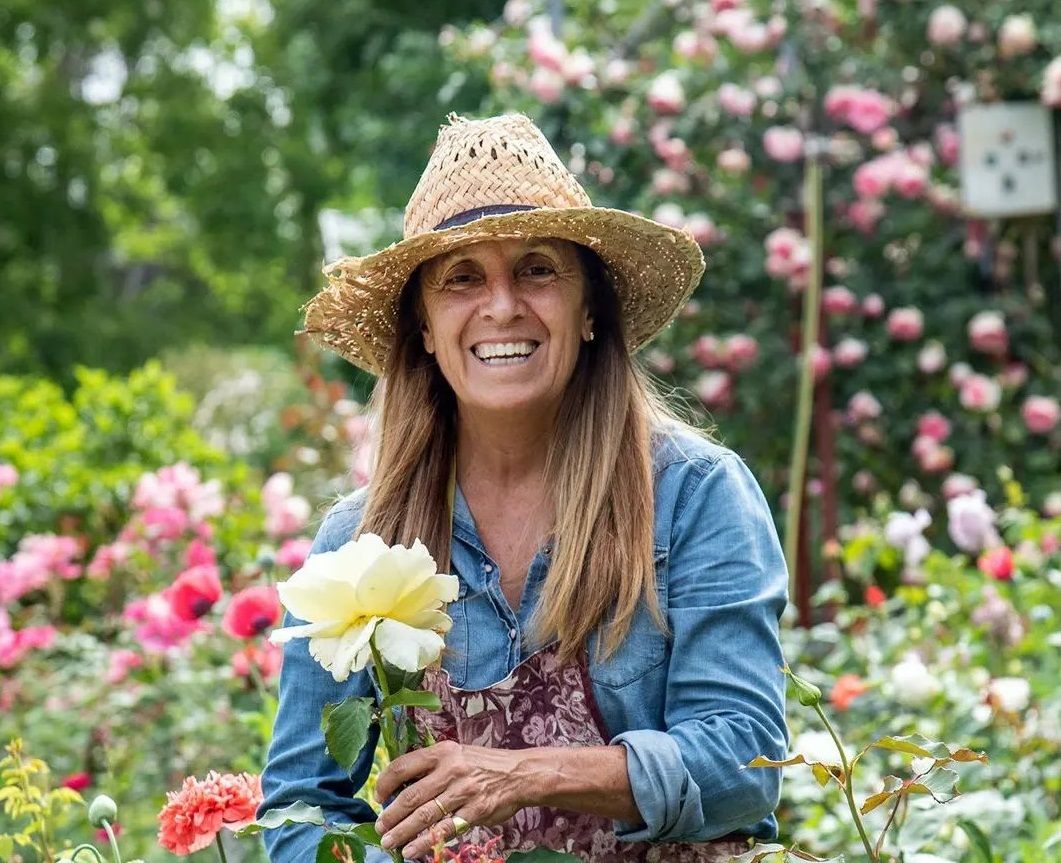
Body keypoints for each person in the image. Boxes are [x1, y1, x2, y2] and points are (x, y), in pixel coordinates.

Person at [260, 112, 789, 863]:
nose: (502, 305)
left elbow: (744, 762)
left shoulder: (694, 496)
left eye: (538, 268)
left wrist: (521, 772)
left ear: (588, 312)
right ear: (423, 325)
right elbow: (299, 804)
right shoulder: (360, 542)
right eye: (462, 277)